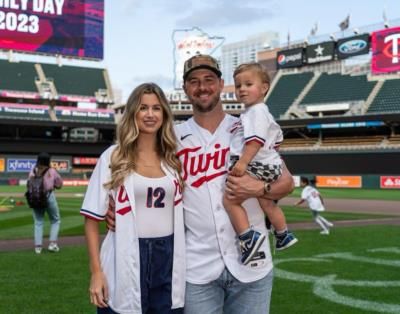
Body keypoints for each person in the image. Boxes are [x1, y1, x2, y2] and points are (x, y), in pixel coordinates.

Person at [106, 54, 295, 313]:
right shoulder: (171, 137)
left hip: (253, 266)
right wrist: (113, 203)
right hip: (197, 268)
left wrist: (259, 189)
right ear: (185, 89)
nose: (202, 87)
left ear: (220, 83)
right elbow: (137, 167)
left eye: (208, 79)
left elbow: (286, 183)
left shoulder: (246, 126)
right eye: (193, 81)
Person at [81, 83, 185, 313]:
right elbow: (91, 220)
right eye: (143, 108)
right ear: (132, 113)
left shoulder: (173, 159)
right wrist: (96, 272)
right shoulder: (113, 156)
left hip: (167, 258)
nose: (150, 114)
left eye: (156, 108)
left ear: (164, 114)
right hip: (124, 255)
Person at [223, 62, 297, 265]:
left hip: (257, 163)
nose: (242, 89)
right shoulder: (255, 112)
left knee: (230, 200)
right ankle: (283, 234)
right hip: (268, 164)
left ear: (264, 88)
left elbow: (255, 141)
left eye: (248, 84)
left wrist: (243, 163)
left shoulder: (257, 111)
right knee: (267, 202)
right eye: (238, 86)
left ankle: (248, 236)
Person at [28, 152, 63, 254]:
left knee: (38, 222)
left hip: (35, 198)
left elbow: (29, 183)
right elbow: (59, 184)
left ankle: (38, 247)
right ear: (48, 161)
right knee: (55, 220)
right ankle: (52, 244)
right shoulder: (51, 171)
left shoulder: (33, 170)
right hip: (48, 196)